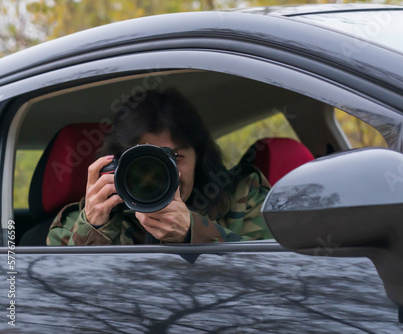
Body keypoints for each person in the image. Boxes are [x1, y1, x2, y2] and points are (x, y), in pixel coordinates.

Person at [46, 89, 273, 246]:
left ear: (200, 158)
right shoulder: (78, 223)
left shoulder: (243, 198)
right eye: (145, 161)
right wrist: (93, 229)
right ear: (116, 164)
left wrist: (194, 233)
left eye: (175, 156)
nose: (157, 175)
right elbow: (64, 302)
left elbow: (276, 275)